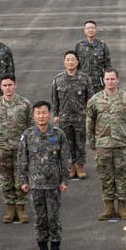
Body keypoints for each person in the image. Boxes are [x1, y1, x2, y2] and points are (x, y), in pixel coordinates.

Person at [18, 100, 71, 250]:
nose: (41, 116)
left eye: (44, 112)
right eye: (38, 113)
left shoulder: (58, 134)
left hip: (54, 184)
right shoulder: (27, 135)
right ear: (33, 116)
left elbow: (65, 158)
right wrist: (24, 180)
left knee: (54, 218)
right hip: (35, 184)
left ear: (49, 114)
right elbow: (22, 159)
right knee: (40, 219)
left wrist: (64, 179)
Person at [86, 68, 126, 221]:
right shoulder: (95, 100)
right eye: (107, 79)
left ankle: (122, 207)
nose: (110, 82)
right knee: (106, 177)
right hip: (103, 145)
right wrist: (92, 142)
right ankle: (109, 206)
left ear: (118, 80)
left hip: (122, 144)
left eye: (112, 79)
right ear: (104, 80)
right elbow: (90, 123)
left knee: (123, 177)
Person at [0, 76, 33, 223]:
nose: (7, 88)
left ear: (15, 86)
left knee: (21, 179)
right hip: (2, 148)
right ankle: (10, 208)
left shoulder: (24, 104)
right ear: (1, 87)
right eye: (5, 85)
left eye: (10, 85)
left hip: (20, 148)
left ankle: (21, 208)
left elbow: (30, 125)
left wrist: (31, 145)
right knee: (5, 180)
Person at [51, 51, 90, 179]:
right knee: (67, 143)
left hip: (80, 117)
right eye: (67, 59)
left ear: (77, 62)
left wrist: (90, 115)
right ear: (64, 62)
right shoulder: (58, 79)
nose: (70, 62)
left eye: (72, 59)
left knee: (80, 143)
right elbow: (55, 99)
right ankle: (71, 166)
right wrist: (56, 114)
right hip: (64, 117)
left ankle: (80, 166)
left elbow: (91, 99)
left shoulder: (85, 78)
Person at [74, 20, 111, 99]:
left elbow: (107, 65)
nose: (90, 30)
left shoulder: (102, 45)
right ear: (84, 31)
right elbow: (75, 65)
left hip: (98, 84)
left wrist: (108, 80)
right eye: (88, 28)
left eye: (92, 28)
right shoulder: (79, 46)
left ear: (96, 30)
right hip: (83, 82)